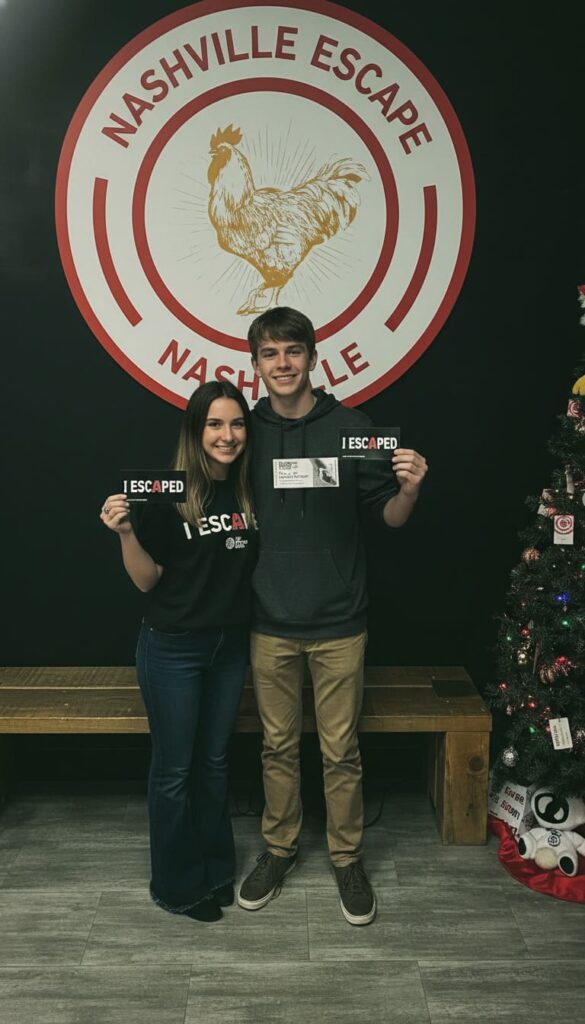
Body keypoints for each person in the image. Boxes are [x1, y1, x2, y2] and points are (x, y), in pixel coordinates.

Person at [237, 307, 427, 926]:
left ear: (313, 357)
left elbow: (388, 520)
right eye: (270, 354)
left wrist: (409, 490)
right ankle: (278, 849)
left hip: (341, 621)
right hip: (269, 619)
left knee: (342, 751)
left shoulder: (353, 428)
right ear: (257, 364)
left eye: (292, 351)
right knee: (276, 747)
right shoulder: (245, 431)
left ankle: (347, 858)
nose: (282, 364)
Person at [100, 381, 258, 923]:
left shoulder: (248, 490)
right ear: (196, 431)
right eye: (214, 424)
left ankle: (214, 871)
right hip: (172, 647)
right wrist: (124, 533)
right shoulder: (169, 493)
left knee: (214, 765)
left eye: (236, 423)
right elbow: (147, 582)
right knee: (174, 771)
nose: (227, 434)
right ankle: (174, 884)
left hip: (229, 646)